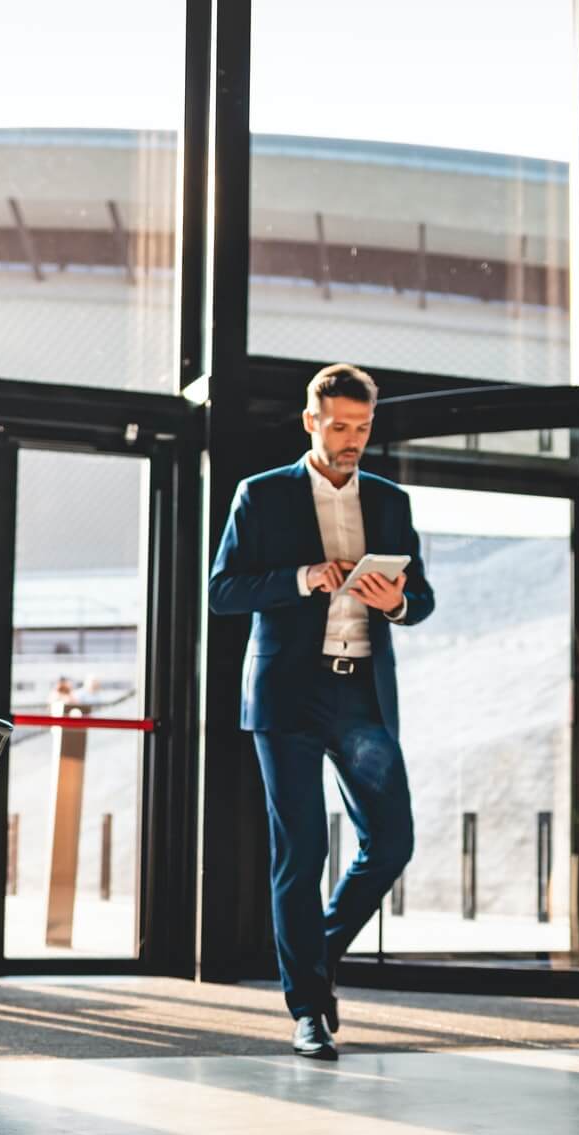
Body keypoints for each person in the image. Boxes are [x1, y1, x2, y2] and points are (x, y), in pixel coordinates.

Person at [207, 363, 434, 1060]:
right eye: (339, 426)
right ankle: (309, 1009)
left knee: (391, 840)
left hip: (360, 692)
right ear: (311, 420)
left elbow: (419, 598)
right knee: (301, 853)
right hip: (287, 696)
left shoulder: (391, 500)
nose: (351, 440)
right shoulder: (262, 494)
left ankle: (317, 951)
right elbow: (223, 591)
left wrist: (392, 600)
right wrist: (304, 579)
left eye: (362, 428)